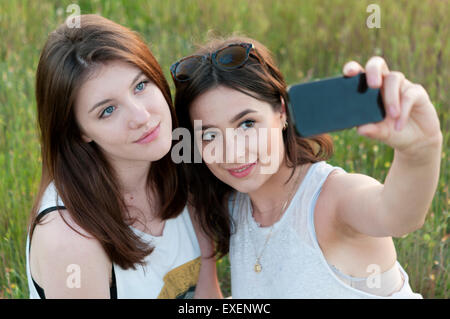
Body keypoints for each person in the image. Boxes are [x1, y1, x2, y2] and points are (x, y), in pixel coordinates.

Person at [172, 36, 443, 298]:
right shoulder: (233, 206)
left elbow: (398, 216)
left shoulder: (332, 199)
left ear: (281, 113)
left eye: (247, 124)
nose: (232, 151)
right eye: (209, 135)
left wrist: (419, 152)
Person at [26, 14, 222, 299]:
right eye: (108, 110)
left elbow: (208, 297)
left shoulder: (186, 165)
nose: (142, 117)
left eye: (140, 86)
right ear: (79, 131)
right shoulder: (70, 241)